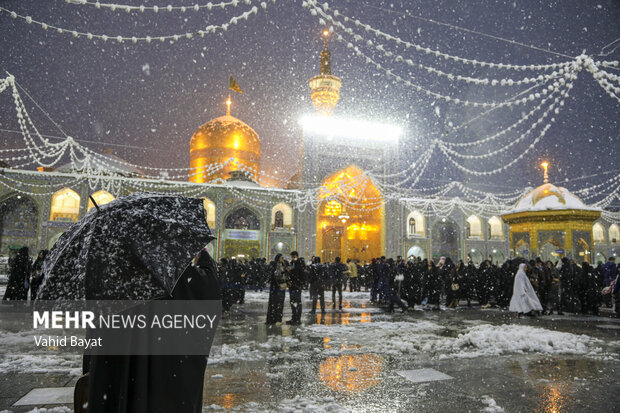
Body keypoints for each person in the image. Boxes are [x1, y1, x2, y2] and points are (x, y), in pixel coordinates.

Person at [83, 248, 221, 413]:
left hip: (116, 364)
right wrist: (205, 259)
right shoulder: (166, 262)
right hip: (161, 371)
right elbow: (205, 291)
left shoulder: (111, 264)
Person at [266, 254, 288, 325]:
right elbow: (275, 275)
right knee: (274, 303)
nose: (283, 259)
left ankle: (278, 318)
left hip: (281, 287)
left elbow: (284, 275)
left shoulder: (283, 265)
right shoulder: (274, 266)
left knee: (280, 304)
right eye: (282, 258)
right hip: (276, 288)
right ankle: (273, 319)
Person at [287, 251, 305, 325]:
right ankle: (294, 318)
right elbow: (289, 273)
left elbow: (301, 275)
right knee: (292, 302)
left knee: (297, 302)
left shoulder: (300, 264)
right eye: (292, 257)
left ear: (296, 256)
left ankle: (298, 319)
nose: (292, 258)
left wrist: (300, 284)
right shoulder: (292, 264)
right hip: (292, 286)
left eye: (293, 257)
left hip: (297, 286)